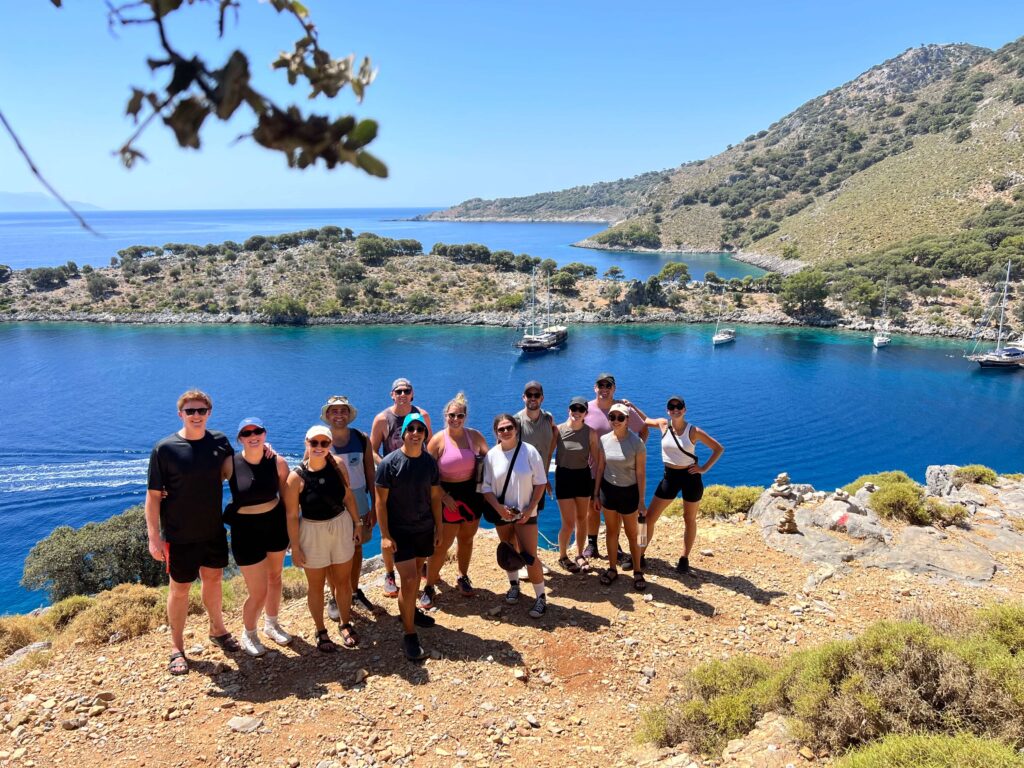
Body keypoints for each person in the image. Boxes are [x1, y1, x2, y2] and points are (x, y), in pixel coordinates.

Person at [145, 389, 238, 676]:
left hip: (212, 530)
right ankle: (176, 647)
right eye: (190, 411)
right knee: (180, 590)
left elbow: (236, 469)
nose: (196, 416)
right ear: (181, 414)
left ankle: (218, 629)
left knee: (214, 580)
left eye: (201, 411)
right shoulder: (165, 448)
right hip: (179, 535)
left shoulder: (220, 442)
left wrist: (266, 451)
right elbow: (152, 497)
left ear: (209, 413)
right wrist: (154, 538)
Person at [284, 425, 362, 652]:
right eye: (314, 443)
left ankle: (345, 623)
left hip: (340, 525)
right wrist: (295, 547)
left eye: (324, 443)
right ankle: (320, 630)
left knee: (343, 582)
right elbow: (291, 516)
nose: (319, 447)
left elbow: (347, 496)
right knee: (316, 586)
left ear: (329, 445)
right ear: (306, 444)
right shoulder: (295, 478)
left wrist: (357, 523)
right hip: (312, 531)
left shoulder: (338, 465)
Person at [375, 413, 443, 661]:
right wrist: (384, 535)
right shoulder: (389, 464)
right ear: (403, 433)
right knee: (411, 578)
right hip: (400, 531)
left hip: (424, 528)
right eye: (411, 428)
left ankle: (410, 611)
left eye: (420, 429)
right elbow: (380, 503)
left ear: (425, 434)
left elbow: (435, 498)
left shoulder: (429, 463)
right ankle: (409, 633)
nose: (415, 433)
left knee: (415, 573)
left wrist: (439, 528)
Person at [225, 417, 292, 656]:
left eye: (258, 431)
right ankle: (249, 632)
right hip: (245, 530)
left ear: (265, 434)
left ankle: (272, 624)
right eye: (247, 433)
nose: (253, 435)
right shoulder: (230, 464)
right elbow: (203, 485)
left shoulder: (278, 462)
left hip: (274, 525)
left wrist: (293, 532)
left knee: (275, 578)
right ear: (240, 438)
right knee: (258, 591)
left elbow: (288, 501)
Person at [642, 395, 724, 574]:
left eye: (679, 406)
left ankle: (684, 558)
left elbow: (718, 448)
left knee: (689, 519)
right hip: (669, 477)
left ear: (684, 410)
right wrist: (629, 406)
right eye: (671, 407)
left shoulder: (693, 431)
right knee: (648, 518)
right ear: (667, 410)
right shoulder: (663, 424)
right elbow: (644, 420)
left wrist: (703, 468)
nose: (675, 409)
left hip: (690, 477)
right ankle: (639, 555)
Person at [422, 392, 489, 607]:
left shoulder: (475, 436)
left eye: (460, 415)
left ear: (465, 416)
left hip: (471, 494)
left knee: (467, 539)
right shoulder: (438, 441)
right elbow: (427, 473)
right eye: (452, 415)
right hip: (447, 496)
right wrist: (442, 495)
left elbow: (489, 461)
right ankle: (430, 585)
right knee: (442, 544)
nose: (456, 419)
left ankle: (462, 576)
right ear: (445, 416)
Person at [481, 414, 549, 619]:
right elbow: (485, 487)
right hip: (503, 514)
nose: (505, 432)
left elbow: (541, 482)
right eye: (501, 429)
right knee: (508, 550)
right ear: (496, 433)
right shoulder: (491, 456)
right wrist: (499, 508)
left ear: (516, 428)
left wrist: (529, 509)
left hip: (526, 513)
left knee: (529, 556)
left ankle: (541, 598)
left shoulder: (529, 452)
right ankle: (514, 586)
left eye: (509, 427)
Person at [371, 378, 433, 599]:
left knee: (421, 524)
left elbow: (430, 446)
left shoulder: (422, 416)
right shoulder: (382, 419)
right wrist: (387, 467)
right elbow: (373, 450)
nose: (403, 394)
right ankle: (389, 573)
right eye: (398, 391)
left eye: (406, 390)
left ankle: (418, 564)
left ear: (412, 393)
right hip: (391, 483)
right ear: (392, 394)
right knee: (389, 530)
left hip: (418, 481)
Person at [583, 373, 648, 567]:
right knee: (592, 508)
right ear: (595, 388)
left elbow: (644, 429)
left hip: (617, 471)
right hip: (593, 468)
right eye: (601, 385)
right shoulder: (586, 408)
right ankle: (592, 543)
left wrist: (634, 451)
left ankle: (617, 545)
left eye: (608, 386)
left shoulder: (622, 409)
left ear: (614, 389)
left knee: (617, 512)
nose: (604, 389)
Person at [321, 396, 377, 618]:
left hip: (360, 503)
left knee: (357, 548)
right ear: (327, 415)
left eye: (343, 411)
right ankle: (334, 596)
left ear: (349, 414)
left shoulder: (361, 438)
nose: (339, 415)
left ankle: (354, 591)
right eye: (334, 411)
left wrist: (374, 505)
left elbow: (371, 473)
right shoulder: (319, 440)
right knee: (332, 554)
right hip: (331, 506)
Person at [592, 403, 647, 591]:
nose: (616, 421)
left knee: (633, 534)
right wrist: (596, 494)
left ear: (627, 420)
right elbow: (600, 467)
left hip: (629, 493)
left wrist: (641, 501)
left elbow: (641, 474)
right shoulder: (604, 440)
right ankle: (612, 568)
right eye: (612, 417)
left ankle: (638, 571)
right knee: (611, 531)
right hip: (608, 491)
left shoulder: (636, 443)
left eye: (620, 417)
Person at [554, 396, 603, 573]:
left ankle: (580, 554)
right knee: (567, 523)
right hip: (564, 477)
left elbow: (598, 461)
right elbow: (546, 455)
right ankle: (562, 556)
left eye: (580, 409)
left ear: (585, 413)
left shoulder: (590, 432)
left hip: (583, 477)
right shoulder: (558, 430)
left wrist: (597, 489)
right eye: (573, 408)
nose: (576, 412)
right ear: (569, 410)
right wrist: (542, 480)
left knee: (582, 519)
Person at [513, 380, 557, 512]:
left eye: (536, 395)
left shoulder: (548, 419)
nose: (533, 398)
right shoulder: (516, 422)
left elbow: (549, 451)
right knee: (519, 517)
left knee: (535, 515)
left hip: (539, 481)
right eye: (529, 395)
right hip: (521, 481)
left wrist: (545, 477)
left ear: (542, 398)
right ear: (523, 397)